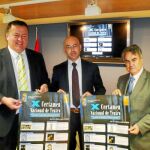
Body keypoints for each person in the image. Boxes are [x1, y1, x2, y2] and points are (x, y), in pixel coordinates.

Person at [0, 20, 50, 150]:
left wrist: (45, 85)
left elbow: (45, 79)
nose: (20, 39)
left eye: (24, 36)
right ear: (7, 36)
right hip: (5, 120)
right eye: (16, 35)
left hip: (33, 117)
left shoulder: (37, 57)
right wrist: (3, 99)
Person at [50, 36, 106, 150]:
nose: (72, 49)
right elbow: (52, 90)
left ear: (80, 47)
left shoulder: (92, 67)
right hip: (67, 115)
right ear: (64, 50)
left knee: (87, 146)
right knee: (66, 146)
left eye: (75, 46)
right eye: (68, 47)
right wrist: (56, 94)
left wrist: (92, 97)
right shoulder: (58, 69)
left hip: (85, 114)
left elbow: (101, 89)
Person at [113, 44, 150, 149]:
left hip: (142, 141)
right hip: (122, 139)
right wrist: (115, 99)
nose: (131, 64)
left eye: (134, 60)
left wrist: (140, 126)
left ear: (141, 59)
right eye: (127, 61)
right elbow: (119, 108)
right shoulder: (121, 80)